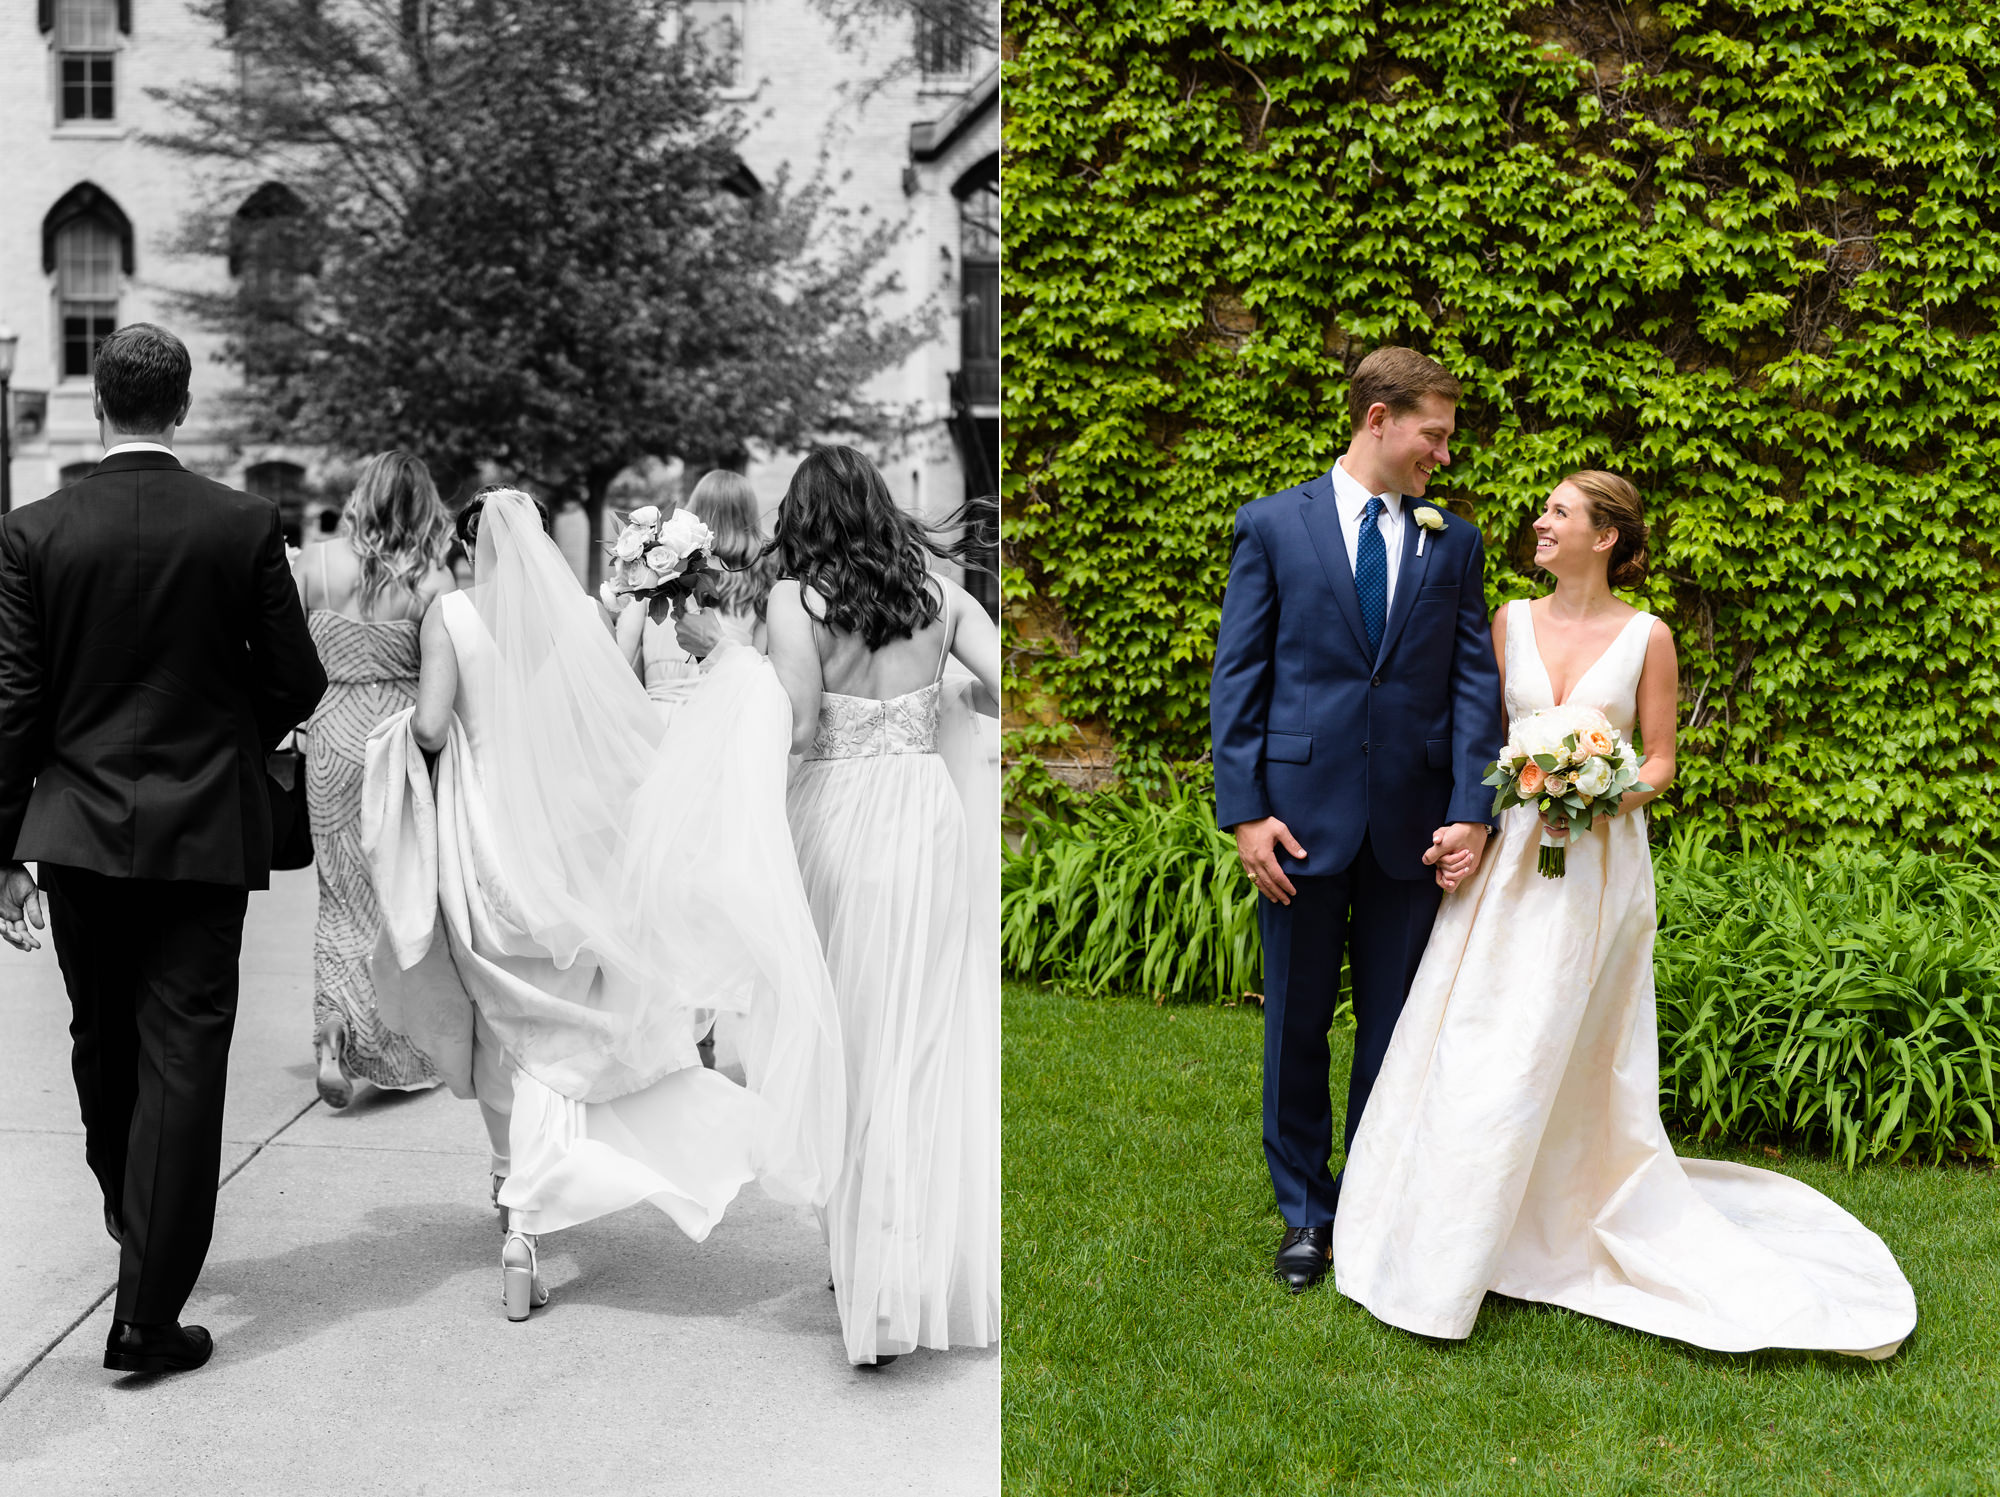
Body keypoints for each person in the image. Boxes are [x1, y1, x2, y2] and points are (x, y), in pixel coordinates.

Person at [1331, 472, 1918, 1356]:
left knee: (1565, 1032)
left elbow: (1660, 761)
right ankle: (1452, 1221)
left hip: (1597, 864)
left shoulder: (1650, 636)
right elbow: (1479, 739)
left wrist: (1598, 790)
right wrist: (1477, 820)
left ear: (1604, 537)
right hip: (1510, 860)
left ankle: (1559, 1208)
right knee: (1483, 1029)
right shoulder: (1507, 622)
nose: (1542, 520)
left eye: (1560, 512)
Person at [362, 487, 844, 1320]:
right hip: (560, 833)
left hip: (485, 840)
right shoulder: (576, 614)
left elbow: (434, 729)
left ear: (474, 547)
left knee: (508, 1023)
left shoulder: (451, 615)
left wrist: (390, 739)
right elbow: (599, 716)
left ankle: (518, 1206)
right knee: (565, 1018)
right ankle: (537, 1195)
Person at [0, 323, 327, 1375]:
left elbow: (15, 703)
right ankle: (146, 1305)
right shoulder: (240, 525)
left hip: (77, 829)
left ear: (100, 405)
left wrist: (3, 850)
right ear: (181, 408)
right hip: (200, 827)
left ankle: (128, 1214)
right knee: (180, 1057)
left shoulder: (32, 532)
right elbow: (296, 681)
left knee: (101, 1038)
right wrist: (223, 733)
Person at [681, 446, 1001, 1368]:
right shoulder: (944, 596)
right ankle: (901, 1267)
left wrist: (729, 665)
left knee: (845, 1042)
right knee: (915, 1042)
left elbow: (802, 724)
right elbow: (1004, 688)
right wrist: (935, 697)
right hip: (926, 819)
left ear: (808, 515)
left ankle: (867, 1275)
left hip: (839, 820)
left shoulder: (795, 602)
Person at [1209, 347, 1505, 1294]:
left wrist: (1473, 812)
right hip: (1297, 823)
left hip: (1414, 830)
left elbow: (1472, 686)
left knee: (1394, 1027)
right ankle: (1304, 1210)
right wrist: (1246, 812)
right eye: (1435, 433)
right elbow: (1240, 676)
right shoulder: (1272, 526)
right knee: (1295, 1022)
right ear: (1379, 418)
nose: (1444, 457)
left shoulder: (1452, 542)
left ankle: (1373, 1202)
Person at [295, 450, 455, 1107]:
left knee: (338, 896)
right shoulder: (432, 583)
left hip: (329, 738)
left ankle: (333, 1032)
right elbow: (435, 723)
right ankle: (392, 1043)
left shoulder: (316, 565)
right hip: (392, 744)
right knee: (399, 896)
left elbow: (292, 663)